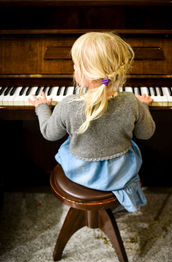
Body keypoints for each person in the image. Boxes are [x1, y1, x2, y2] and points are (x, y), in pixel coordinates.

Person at [28, 32, 155, 212]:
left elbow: (49, 133)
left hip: (81, 172)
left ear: (87, 73)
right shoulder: (131, 101)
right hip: (120, 172)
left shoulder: (68, 105)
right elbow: (146, 133)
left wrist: (41, 107)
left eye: (76, 66)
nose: (74, 69)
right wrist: (144, 107)